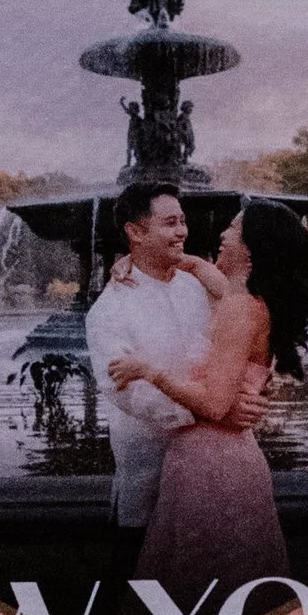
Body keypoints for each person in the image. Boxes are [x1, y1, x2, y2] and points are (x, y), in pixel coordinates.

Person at [118, 200, 308, 615]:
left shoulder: (239, 308)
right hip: (223, 460)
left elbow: (216, 404)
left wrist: (149, 372)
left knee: (196, 604)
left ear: (250, 249)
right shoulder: (253, 300)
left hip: (210, 467)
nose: (221, 235)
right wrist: (131, 260)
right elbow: (199, 267)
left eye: (232, 229)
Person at [83, 184, 211, 548]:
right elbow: (127, 392)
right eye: (170, 223)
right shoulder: (110, 310)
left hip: (211, 473)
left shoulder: (197, 288)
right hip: (149, 478)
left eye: (183, 221)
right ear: (135, 232)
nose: (182, 231)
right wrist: (208, 413)